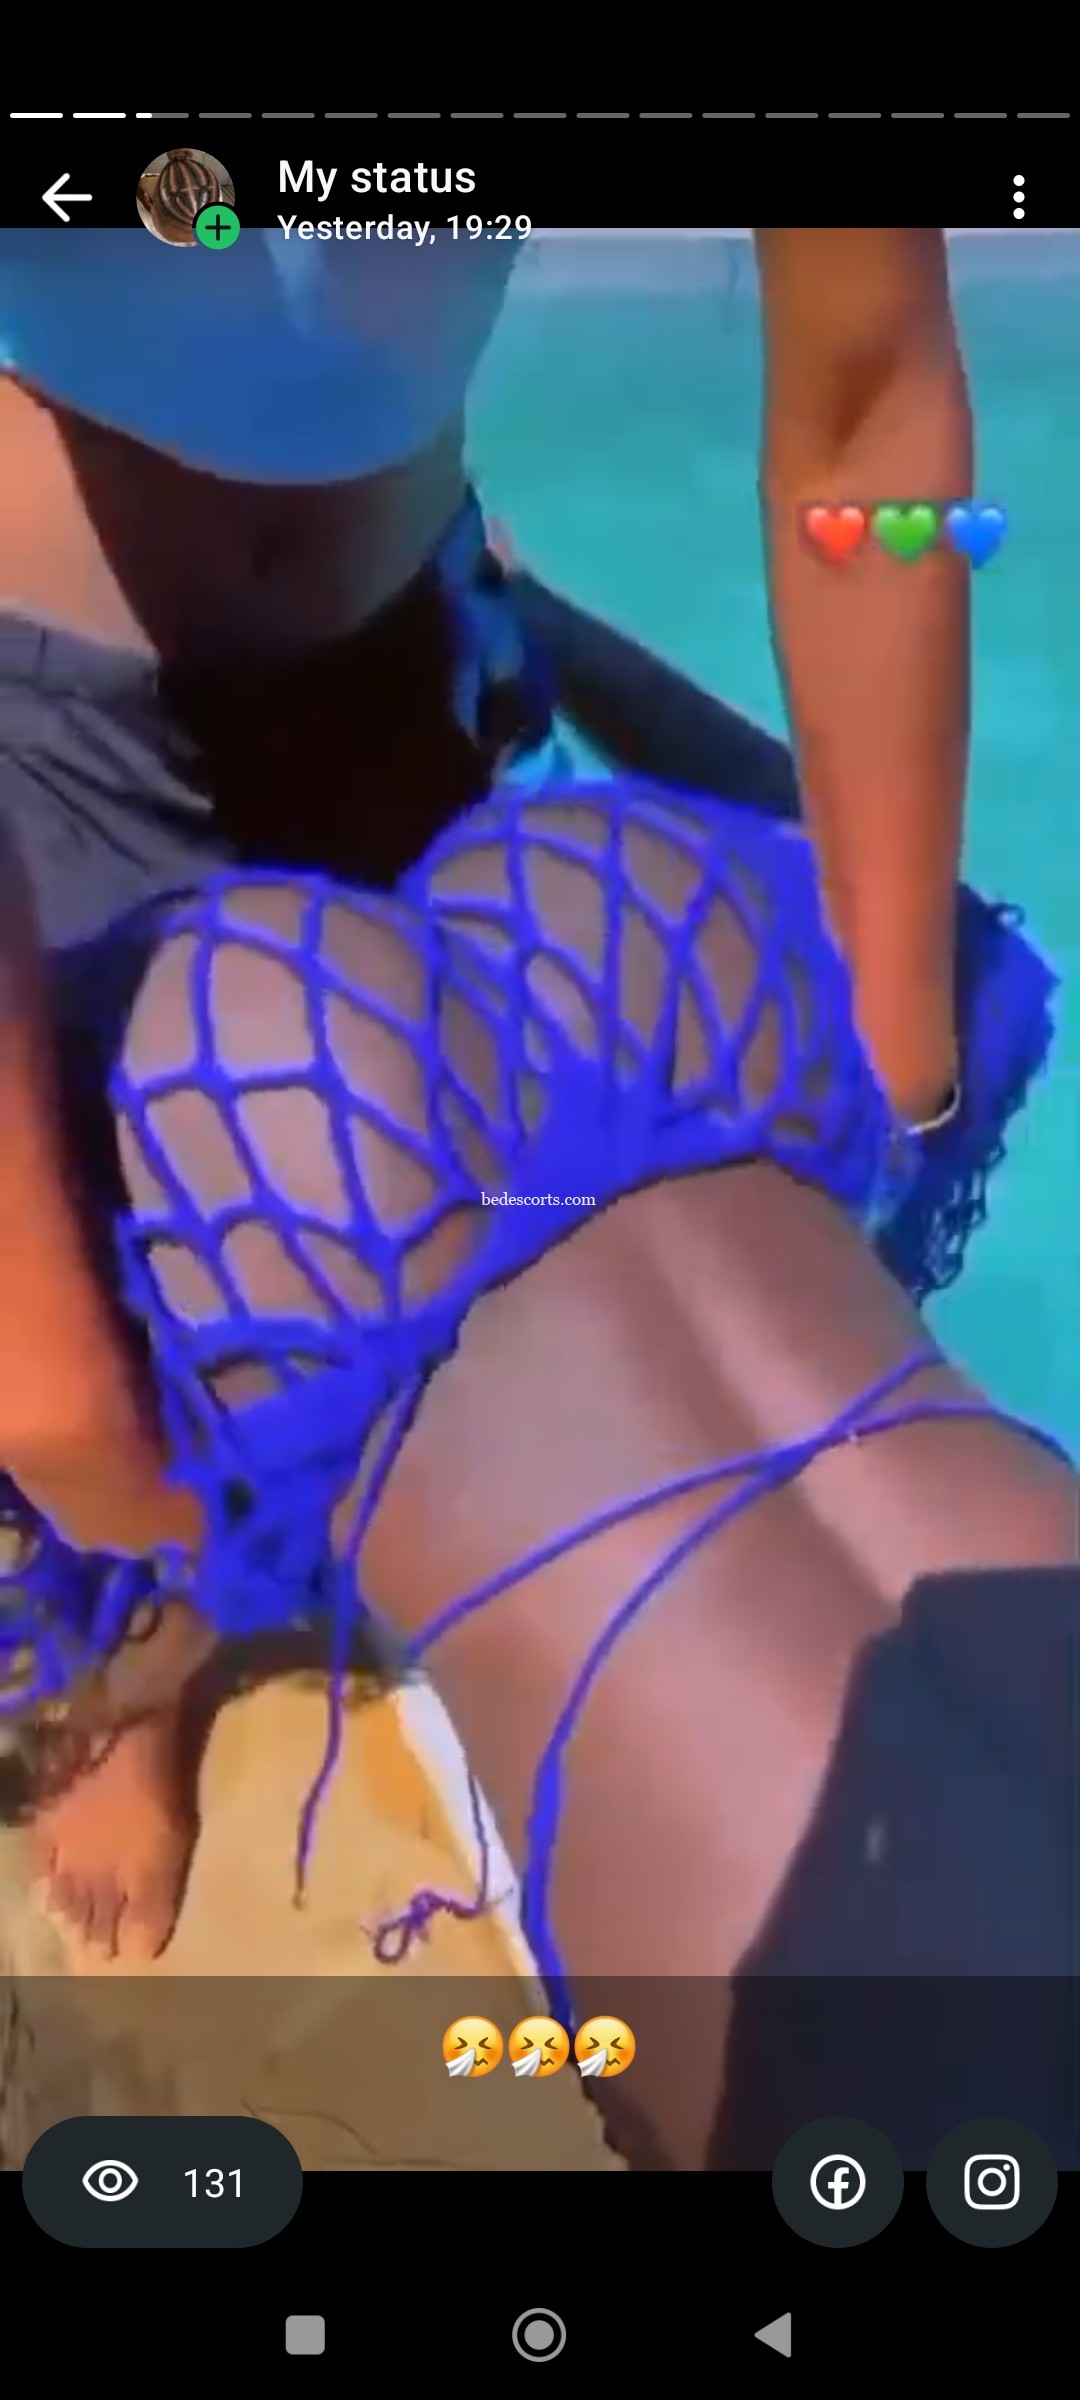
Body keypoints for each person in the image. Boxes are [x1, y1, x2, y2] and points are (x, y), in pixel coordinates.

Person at [0, 226, 1044, 1964]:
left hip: (407, 635)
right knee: (100, 1347)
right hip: (37, 706)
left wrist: (897, 1059)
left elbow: (869, 415)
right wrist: (48, 1382)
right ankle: (148, 1675)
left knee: (470, 1211)